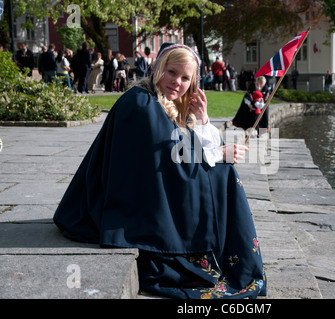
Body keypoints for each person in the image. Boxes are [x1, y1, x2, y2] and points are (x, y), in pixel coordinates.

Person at [52, 43, 266, 299]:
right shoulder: (142, 104)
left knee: (223, 173)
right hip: (131, 199)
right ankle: (212, 254)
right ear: (158, 69)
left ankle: (220, 254)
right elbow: (172, 158)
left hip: (145, 185)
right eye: (172, 72)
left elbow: (181, 150)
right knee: (223, 175)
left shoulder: (160, 100)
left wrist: (203, 120)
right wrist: (220, 155)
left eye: (186, 78)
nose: (177, 82)